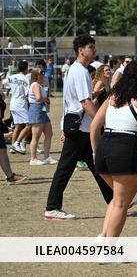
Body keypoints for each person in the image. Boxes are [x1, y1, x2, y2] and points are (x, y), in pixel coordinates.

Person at [44, 35, 115, 220]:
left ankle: (115, 200)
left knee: (97, 166)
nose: (94, 50)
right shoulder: (80, 72)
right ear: (80, 50)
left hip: (81, 128)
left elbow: (71, 102)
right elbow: (86, 103)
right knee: (65, 169)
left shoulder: (77, 70)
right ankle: (52, 207)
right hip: (79, 129)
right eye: (91, 47)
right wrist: (104, 123)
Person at [90, 60, 137, 237]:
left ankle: (103, 236)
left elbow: (94, 127)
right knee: (122, 203)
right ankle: (109, 250)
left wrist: (95, 152)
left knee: (117, 200)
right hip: (126, 150)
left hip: (104, 148)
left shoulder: (112, 97)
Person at [27, 64, 54, 165]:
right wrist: (46, 99)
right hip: (36, 109)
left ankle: (47, 157)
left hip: (41, 110)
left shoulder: (40, 85)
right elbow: (38, 98)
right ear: (35, 75)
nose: (43, 74)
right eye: (40, 73)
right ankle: (33, 158)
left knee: (49, 134)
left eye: (43, 72)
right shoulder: (35, 85)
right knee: (36, 136)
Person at [3, 60, 30, 155]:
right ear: (26, 68)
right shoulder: (25, 79)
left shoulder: (12, 77)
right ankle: (17, 143)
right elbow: (27, 94)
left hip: (13, 104)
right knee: (29, 125)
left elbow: (3, 82)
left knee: (18, 126)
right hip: (21, 104)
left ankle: (13, 147)